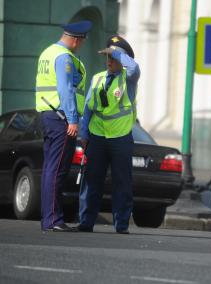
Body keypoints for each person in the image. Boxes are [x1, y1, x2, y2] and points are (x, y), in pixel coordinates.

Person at [75, 35, 140, 234]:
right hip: (97, 137)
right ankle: (86, 222)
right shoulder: (97, 78)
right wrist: (84, 135)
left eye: (113, 57)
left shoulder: (128, 79)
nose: (109, 61)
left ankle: (121, 224)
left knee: (122, 183)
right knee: (91, 180)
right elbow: (87, 109)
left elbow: (135, 68)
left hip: (120, 138)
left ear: (122, 58)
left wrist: (118, 53)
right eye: (108, 57)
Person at [36, 20, 92, 232]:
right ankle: (53, 220)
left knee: (50, 169)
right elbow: (66, 89)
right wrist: (72, 119)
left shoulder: (47, 53)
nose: (82, 45)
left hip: (49, 115)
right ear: (76, 40)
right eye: (82, 41)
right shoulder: (63, 57)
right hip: (61, 118)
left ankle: (49, 218)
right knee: (57, 170)